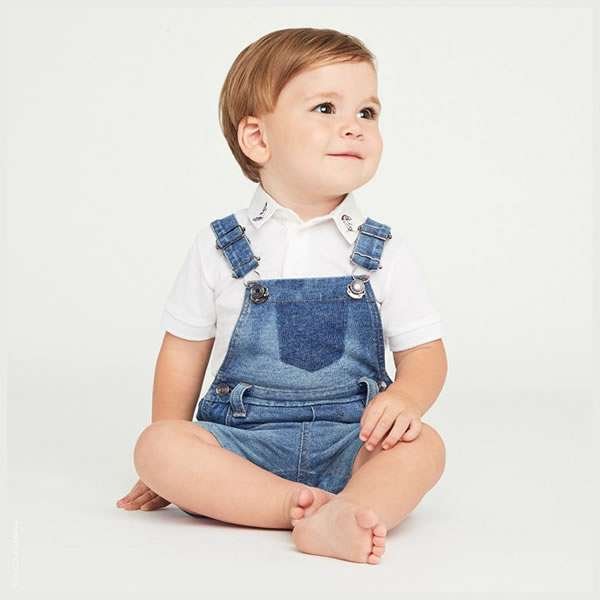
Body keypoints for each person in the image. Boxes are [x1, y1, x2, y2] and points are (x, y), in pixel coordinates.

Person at [116, 27, 447, 565]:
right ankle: (293, 506)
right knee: (157, 447)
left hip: (352, 441)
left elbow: (425, 353)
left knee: (425, 447)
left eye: (367, 112)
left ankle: (349, 509)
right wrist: (169, 450)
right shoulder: (220, 246)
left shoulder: (384, 251)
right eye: (325, 108)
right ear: (257, 139)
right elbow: (182, 351)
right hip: (243, 444)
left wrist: (407, 399)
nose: (354, 126)